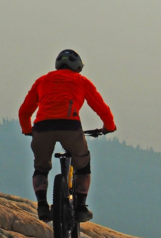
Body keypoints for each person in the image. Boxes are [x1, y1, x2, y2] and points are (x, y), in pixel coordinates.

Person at [18, 49, 116, 222]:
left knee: (41, 168)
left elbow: (24, 111)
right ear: (77, 67)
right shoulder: (81, 80)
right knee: (83, 164)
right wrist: (109, 127)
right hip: (70, 127)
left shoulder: (42, 81)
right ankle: (80, 208)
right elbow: (102, 108)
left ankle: (42, 205)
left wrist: (27, 130)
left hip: (42, 127)